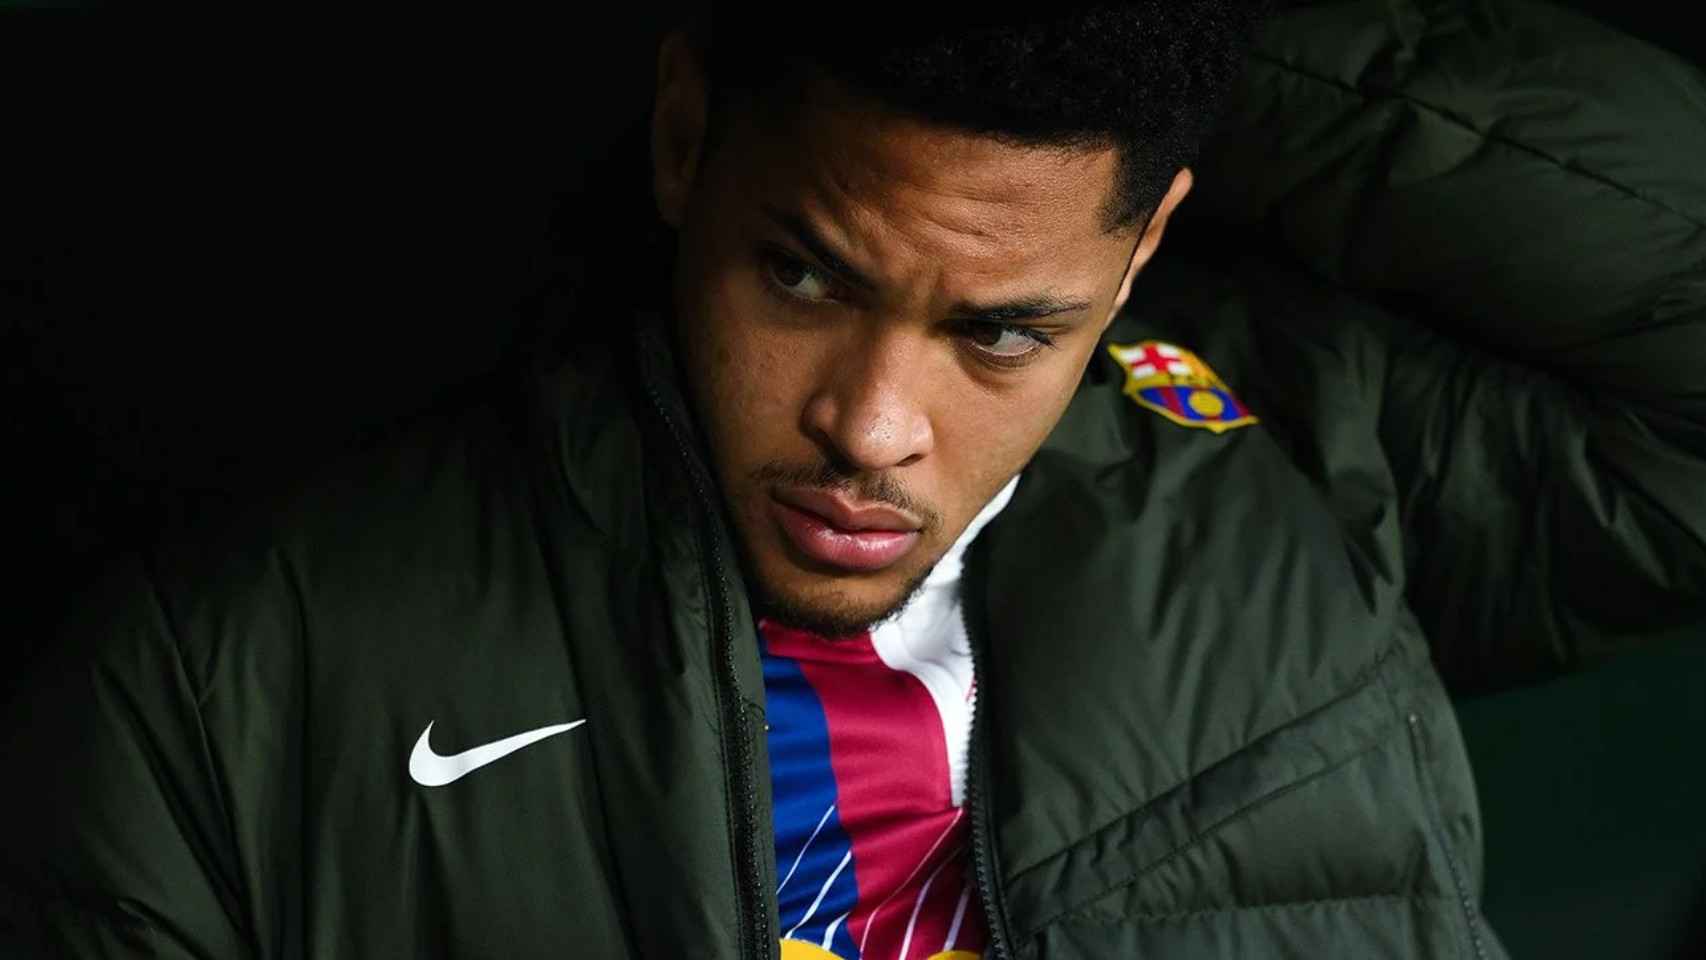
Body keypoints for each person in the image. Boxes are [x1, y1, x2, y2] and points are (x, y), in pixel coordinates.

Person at [3, 2, 1703, 958]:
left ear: (1141, 250)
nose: (873, 428)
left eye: (1001, 332)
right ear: (686, 137)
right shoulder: (223, 682)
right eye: (803, 279)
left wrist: (1180, 42)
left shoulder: (1278, 460)